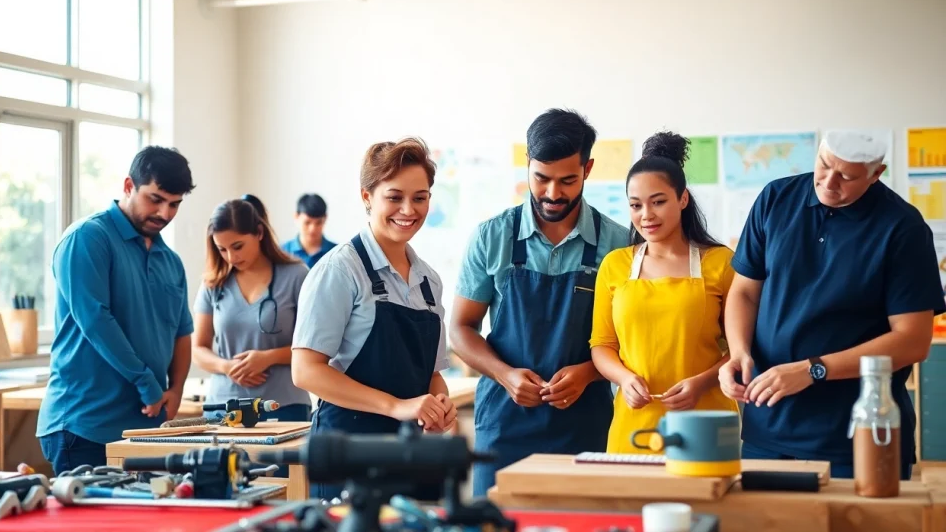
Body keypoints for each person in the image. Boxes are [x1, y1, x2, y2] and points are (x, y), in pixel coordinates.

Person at [718, 130, 943, 480]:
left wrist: (813, 369)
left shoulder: (903, 228)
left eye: (847, 176)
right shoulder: (776, 198)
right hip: (767, 428)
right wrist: (738, 352)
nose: (828, 182)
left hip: (857, 435)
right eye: (824, 165)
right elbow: (745, 292)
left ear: (876, 174)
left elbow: (912, 341)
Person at [450, 108, 628, 497]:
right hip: (504, 427)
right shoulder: (491, 237)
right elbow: (461, 329)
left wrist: (588, 374)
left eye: (567, 181)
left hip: (586, 428)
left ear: (588, 169)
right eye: (541, 178)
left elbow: (632, 342)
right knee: (495, 522)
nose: (552, 193)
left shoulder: (621, 243)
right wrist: (504, 374)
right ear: (527, 163)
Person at [291, 137, 457, 501]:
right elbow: (305, 371)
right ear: (367, 196)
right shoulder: (339, 270)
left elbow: (432, 375)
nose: (408, 210)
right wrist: (396, 407)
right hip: (348, 453)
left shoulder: (429, 281)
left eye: (420, 198)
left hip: (411, 454)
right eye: (394, 197)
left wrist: (439, 405)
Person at [37, 146, 196, 475]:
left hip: (145, 429)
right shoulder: (87, 238)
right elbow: (97, 322)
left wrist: (176, 389)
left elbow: (182, 331)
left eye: (174, 204)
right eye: (155, 199)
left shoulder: (171, 261)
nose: (164, 213)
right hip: (85, 425)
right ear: (128, 186)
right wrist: (147, 383)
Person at [589, 132, 740, 459]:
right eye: (636, 205)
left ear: (683, 199)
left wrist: (702, 383)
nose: (646, 215)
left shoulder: (721, 263)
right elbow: (601, 345)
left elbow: (742, 349)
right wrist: (624, 378)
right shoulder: (615, 265)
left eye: (658, 202)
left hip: (706, 422)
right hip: (634, 425)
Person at [191, 195, 312, 424]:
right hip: (224, 409)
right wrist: (227, 366)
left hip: (283, 406)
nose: (231, 257)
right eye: (222, 249)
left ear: (259, 233)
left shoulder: (296, 276)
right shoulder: (213, 283)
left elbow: (315, 347)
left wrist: (269, 357)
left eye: (238, 246)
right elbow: (198, 349)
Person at [282, 193, 336, 268]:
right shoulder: (282, 253)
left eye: (318, 223)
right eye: (307, 222)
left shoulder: (336, 253)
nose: (312, 229)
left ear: (325, 219)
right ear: (296, 217)